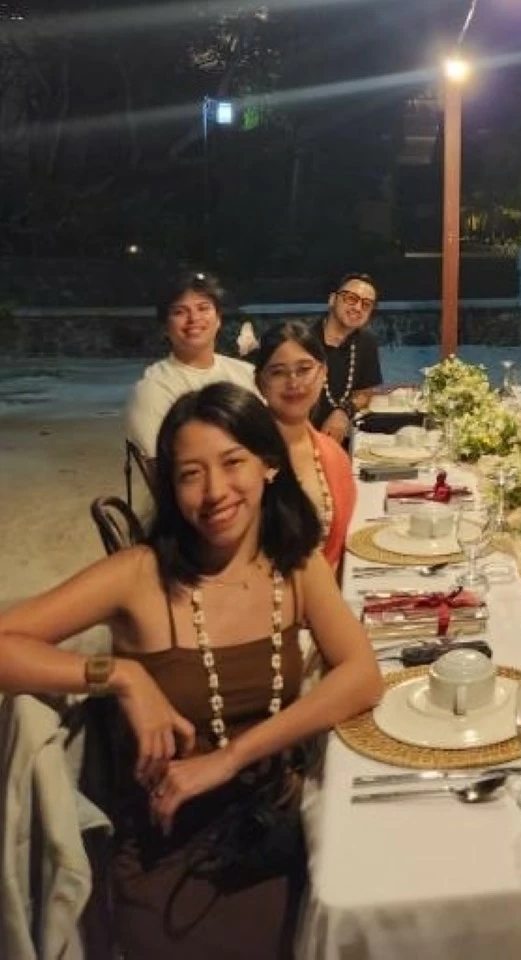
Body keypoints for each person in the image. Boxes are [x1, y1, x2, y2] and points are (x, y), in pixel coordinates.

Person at [0, 382, 382, 959]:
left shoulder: (293, 565)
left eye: (233, 464)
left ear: (269, 466)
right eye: (189, 474)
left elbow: (362, 675)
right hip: (169, 851)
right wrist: (121, 676)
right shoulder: (140, 575)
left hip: (276, 829)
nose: (214, 493)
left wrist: (231, 756)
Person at [125, 272, 259, 475]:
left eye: (203, 308)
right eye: (180, 312)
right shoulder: (153, 389)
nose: (194, 318)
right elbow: (163, 475)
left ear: (218, 318)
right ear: (165, 326)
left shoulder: (247, 374)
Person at [253, 321, 357, 571]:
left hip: (323, 595)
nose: (293, 382)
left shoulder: (333, 455)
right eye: (278, 372)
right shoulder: (245, 454)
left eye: (304, 369)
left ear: (323, 373)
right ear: (260, 383)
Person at [310, 272, 383, 446]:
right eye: (351, 298)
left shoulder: (366, 342)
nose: (358, 308)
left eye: (366, 304)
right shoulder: (303, 341)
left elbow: (366, 393)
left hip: (342, 442)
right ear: (332, 300)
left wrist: (343, 412)